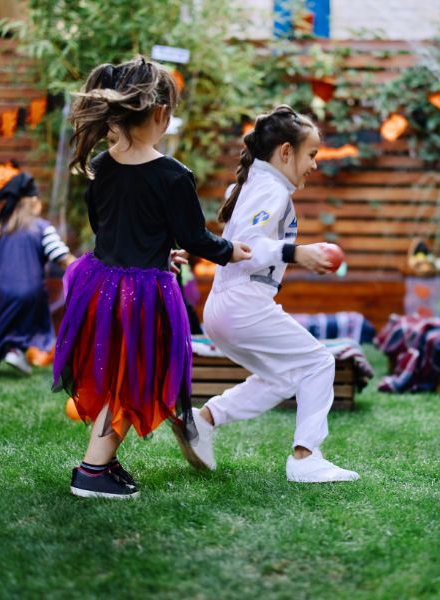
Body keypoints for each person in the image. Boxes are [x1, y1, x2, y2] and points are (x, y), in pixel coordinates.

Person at [52, 56, 251, 499]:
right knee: (135, 378)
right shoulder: (173, 175)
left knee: (115, 376)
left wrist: (160, 251)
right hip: (142, 295)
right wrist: (232, 250)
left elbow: (106, 224)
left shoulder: (102, 164)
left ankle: (101, 462)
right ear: (161, 114)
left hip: (100, 286)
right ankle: (92, 471)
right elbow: (196, 237)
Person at [181, 105, 359, 483]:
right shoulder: (271, 189)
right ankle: (306, 457)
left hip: (225, 306)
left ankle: (205, 419)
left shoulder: (253, 185)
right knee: (319, 363)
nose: (314, 164)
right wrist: (298, 253)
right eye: (311, 155)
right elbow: (246, 245)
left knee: (281, 379)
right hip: (243, 302)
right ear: (284, 152)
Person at [0, 172, 74, 382]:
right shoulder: (42, 228)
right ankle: (12, 351)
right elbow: (59, 255)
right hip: (33, 291)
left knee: (2, 324)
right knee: (34, 319)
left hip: (5, 291)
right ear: (32, 202)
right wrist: (81, 267)